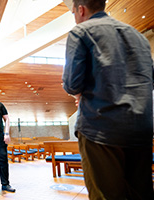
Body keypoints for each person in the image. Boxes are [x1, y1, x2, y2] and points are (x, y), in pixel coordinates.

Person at [62, 0, 154, 199]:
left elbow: (72, 84)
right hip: (141, 129)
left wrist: (80, 94)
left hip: (101, 129)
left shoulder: (81, 32)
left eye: (73, 13)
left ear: (81, 9)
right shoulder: (138, 37)